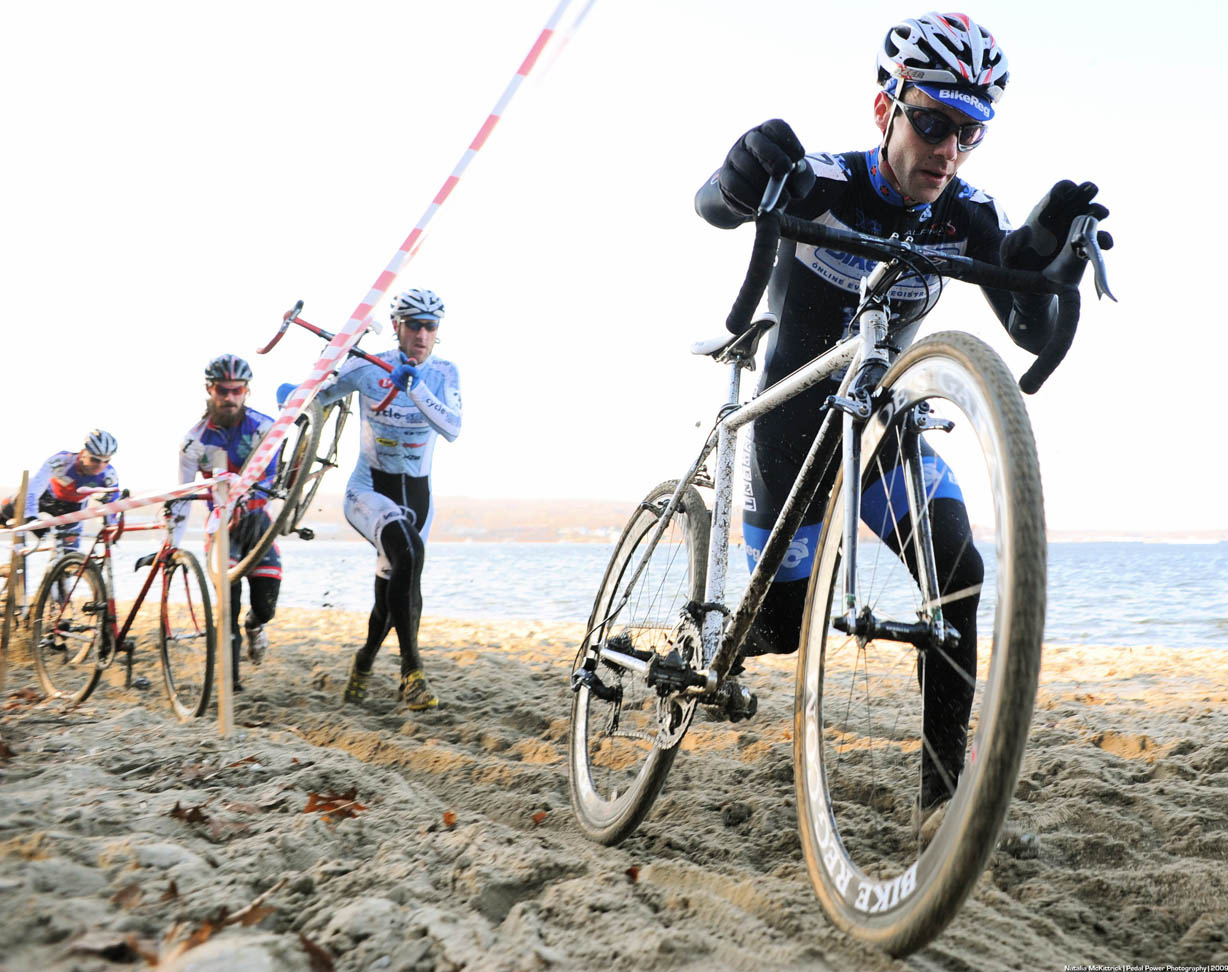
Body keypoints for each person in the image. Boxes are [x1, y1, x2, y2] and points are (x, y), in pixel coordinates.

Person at [694, 13, 1112, 824]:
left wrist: (1050, 265)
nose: (949, 149)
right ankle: (708, 633)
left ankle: (941, 804)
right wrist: (738, 175)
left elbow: (1027, 328)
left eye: (969, 132)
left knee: (959, 574)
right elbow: (714, 206)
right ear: (885, 109)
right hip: (792, 430)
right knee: (779, 628)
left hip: (880, 432)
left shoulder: (966, 212)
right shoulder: (818, 179)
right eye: (932, 123)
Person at [293, 288, 461, 711]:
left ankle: (365, 661)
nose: (423, 334)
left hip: (418, 498)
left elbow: (453, 428)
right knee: (407, 552)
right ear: (397, 327)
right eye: (415, 325)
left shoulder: (444, 371)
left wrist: (418, 391)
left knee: (391, 600)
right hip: (369, 490)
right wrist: (323, 368)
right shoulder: (368, 368)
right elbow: (310, 401)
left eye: (431, 326)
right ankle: (412, 674)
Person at [172, 354, 281, 693]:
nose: (230, 398)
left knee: (265, 607)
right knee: (227, 605)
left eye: (238, 391)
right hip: (221, 529)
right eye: (223, 391)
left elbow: (274, 476)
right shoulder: (194, 441)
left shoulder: (265, 427)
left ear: (247, 391)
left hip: (257, 522)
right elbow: (182, 497)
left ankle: (255, 625)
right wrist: (172, 546)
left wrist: (248, 498)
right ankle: (230, 684)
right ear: (210, 390)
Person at [1, 430, 121, 550]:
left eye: (106, 461)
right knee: (12, 505)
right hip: (46, 497)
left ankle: (58, 565)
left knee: (69, 554)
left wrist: (111, 527)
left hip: (73, 508)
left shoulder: (109, 475)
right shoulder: (61, 461)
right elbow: (34, 488)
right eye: (95, 460)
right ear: (84, 453)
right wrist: (30, 516)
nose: (100, 465)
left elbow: (113, 505)